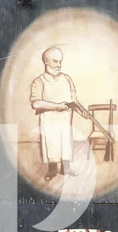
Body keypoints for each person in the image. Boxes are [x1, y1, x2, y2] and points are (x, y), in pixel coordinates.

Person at [29, 47, 89, 180]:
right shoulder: (39, 81)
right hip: (49, 120)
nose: (59, 65)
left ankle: (66, 169)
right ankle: (52, 170)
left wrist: (82, 112)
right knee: (51, 144)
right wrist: (57, 106)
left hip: (66, 119)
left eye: (60, 61)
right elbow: (36, 103)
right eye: (55, 61)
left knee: (66, 143)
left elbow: (73, 101)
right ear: (46, 61)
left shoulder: (67, 78)